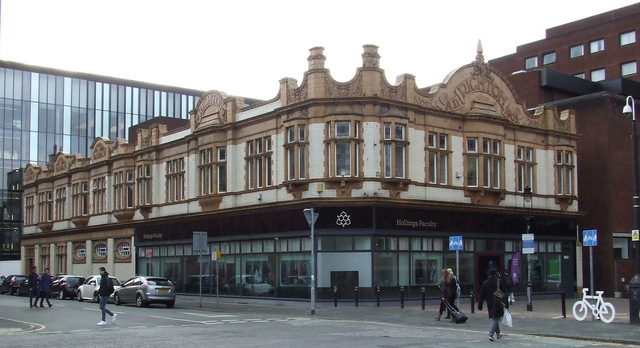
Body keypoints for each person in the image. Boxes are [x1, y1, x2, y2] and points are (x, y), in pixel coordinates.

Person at [478, 268, 508, 341]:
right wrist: (506, 304)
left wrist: (480, 305)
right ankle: (490, 334)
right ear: (495, 273)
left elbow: (481, 295)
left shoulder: (485, 283)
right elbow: (504, 293)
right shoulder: (499, 282)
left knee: (495, 317)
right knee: (495, 318)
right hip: (498, 303)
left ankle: (498, 334)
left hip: (490, 303)